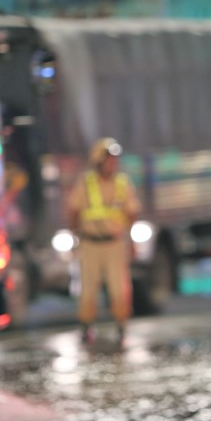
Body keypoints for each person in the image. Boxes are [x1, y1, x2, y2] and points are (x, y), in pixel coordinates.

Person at [66, 137, 141, 344]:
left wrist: (132, 241)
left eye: (114, 160)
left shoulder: (122, 183)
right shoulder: (86, 183)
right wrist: (75, 236)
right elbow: (73, 211)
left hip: (114, 244)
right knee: (88, 288)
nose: (112, 163)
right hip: (90, 244)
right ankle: (86, 325)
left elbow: (131, 213)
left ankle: (121, 325)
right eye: (109, 159)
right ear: (99, 160)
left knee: (120, 288)